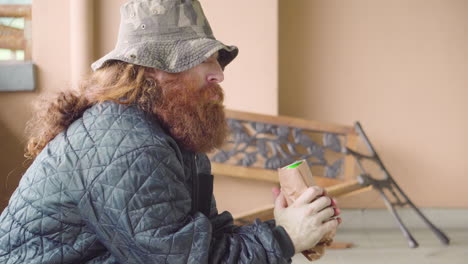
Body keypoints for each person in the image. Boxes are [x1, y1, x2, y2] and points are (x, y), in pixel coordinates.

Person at [0, 0, 341, 263]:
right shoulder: (126, 144)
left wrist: (288, 225)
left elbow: (201, 240)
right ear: (153, 70)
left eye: (216, 60)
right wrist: (284, 238)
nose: (218, 74)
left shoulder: (173, 135)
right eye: (201, 59)